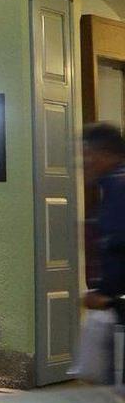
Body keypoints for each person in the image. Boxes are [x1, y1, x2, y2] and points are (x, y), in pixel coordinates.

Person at [78, 122, 125, 383]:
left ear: (105, 153)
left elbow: (117, 245)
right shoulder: (111, 188)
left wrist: (106, 296)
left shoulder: (119, 189)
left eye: (87, 155)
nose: (83, 163)